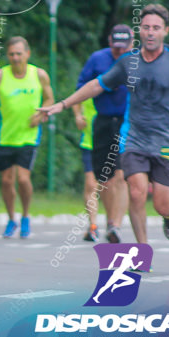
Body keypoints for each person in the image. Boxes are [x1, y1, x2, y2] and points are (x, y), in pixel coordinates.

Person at [40, 3, 169, 243]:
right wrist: (63, 104)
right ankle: (142, 250)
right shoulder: (128, 63)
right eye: (146, 27)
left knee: (161, 203)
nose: (151, 32)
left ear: (165, 31)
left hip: (167, 139)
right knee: (137, 193)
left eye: (156, 28)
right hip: (134, 139)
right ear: (140, 30)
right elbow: (97, 84)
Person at [0, 36, 54, 239]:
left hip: (29, 136)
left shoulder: (39, 74)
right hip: (5, 136)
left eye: (19, 53)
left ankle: (25, 216)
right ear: (8, 55)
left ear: (27, 54)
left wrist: (41, 115)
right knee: (6, 181)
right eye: (12, 54)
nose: (15, 58)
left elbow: (50, 99)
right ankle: (11, 219)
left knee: (23, 179)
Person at [73, 24, 133, 243]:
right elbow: (81, 87)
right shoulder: (97, 59)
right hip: (103, 121)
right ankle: (109, 222)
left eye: (123, 47)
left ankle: (116, 225)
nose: (119, 51)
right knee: (104, 180)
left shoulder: (138, 60)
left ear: (131, 43)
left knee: (121, 177)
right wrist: (77, 113)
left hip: (128, 122)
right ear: (109, 42)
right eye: (116, 47)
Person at [78, 98, 100, 241]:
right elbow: (76, 99)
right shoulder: (88, 79)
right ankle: (93, 226)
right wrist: (78, 115)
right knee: (91, 185)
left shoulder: (117, 80)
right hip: (89, 143)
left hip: (113, 142)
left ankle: (113, 226)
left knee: (111, 187)